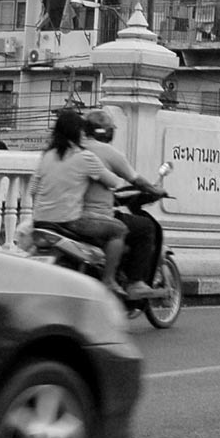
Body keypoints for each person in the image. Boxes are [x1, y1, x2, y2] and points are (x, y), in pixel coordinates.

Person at [29, 108, 129, 296]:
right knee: (119, 230)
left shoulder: (46, 156)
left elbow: (32, 190)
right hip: (69, 221)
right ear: (78, 132)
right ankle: (108, 280)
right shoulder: (84, 156)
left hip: (40, 222)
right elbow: (114, 182)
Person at [81, 108, 164, 300]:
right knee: (145, 227)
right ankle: (135, 282)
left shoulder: (74, 149)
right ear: (107, 132)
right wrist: (154, 190)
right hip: (98, 216)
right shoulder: (108, 152)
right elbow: (135, 180)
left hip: (70, 213)